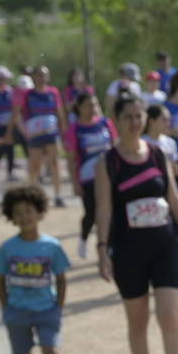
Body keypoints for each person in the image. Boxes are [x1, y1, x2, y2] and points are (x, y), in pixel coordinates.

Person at [95, 94, 178, 354]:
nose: (134, 122)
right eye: (128, 116)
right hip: (129, 250)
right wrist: (103, 250)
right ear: (116, 120)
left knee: (170, 314)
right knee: (138, 319)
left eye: (138, 115)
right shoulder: (108, 162)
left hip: (164, 245)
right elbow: (104, 209)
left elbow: (173, 197)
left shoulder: (157, 154)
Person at [0, 183, 81, 354]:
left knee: (51, 352)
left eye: (29, 210)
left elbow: (61, 277)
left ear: (40, 212)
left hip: (46, 310)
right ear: (11, 216)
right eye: (18, 212)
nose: (24, 217)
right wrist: (6, 307)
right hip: (17, 312)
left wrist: (57, 307)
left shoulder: (52, 246)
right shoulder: (8, 249)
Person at [62, 92, 117, 257]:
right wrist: (75, 183)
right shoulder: (75, 129)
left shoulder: (106, 123)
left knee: (112, 212)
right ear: (79, 108)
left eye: (95, 104)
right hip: (87, 179)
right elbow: (71, 160)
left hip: (109, 177)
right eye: (88, 105)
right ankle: (84, 239)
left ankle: (110, 247)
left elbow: (115, 148)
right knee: (92, 213)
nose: (92, 108)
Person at [16, 66, 66, 207]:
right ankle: (33, 195)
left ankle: (58, 195)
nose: (41, 78)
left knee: (55, 163)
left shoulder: (53, 92)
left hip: (51, 132)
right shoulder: (28, 94)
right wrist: (24, 130)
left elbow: (59, 112)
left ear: (48, 77)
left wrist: (62, 132)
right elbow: (19, 113)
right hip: (35, 134)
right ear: (34, 77)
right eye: (38, 75)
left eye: (44, 75)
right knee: (35, 165)